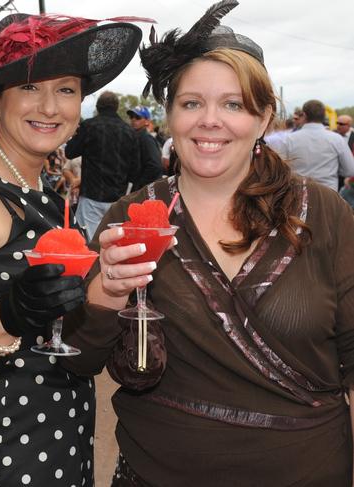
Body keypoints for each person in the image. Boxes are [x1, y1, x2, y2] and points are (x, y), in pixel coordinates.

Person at [61, 1, 354, 485]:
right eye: (191, 102)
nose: (209, 121)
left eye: (233, 104)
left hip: (307, 470)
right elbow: (82, 359)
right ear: (171, 114)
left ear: (264, 119)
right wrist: (105, 294)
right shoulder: (131, 217)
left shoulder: (323, 215)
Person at [0, 13, 142, 485]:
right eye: (31, 88)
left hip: (54, 435)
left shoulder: (40, 186)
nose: (50, 106)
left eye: (66, 90)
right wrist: (10, 315)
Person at [65, 91, 144, 240]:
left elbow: (69, 152)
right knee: (113, 242)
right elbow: (135, 171)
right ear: (116, 107)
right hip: (118, 197)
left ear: (98, 107)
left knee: (89, 242)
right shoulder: (130, 132)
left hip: (91, 196)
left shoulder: (89, 126)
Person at [279, 99, 354, 191]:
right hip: (328, 193)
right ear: (323, 116)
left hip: (297, 193)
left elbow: (280, 169)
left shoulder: (288, 139)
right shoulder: (336, 139)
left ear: (304, 115)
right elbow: (350, 170)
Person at [126, 105, 164, 187]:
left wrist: (139, 185)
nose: (133, 119)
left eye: (137, 117)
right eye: (131, 116)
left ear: (147, 121)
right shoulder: (136, 137)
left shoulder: (146, 139)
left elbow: (155, 166)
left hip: (147, 189)